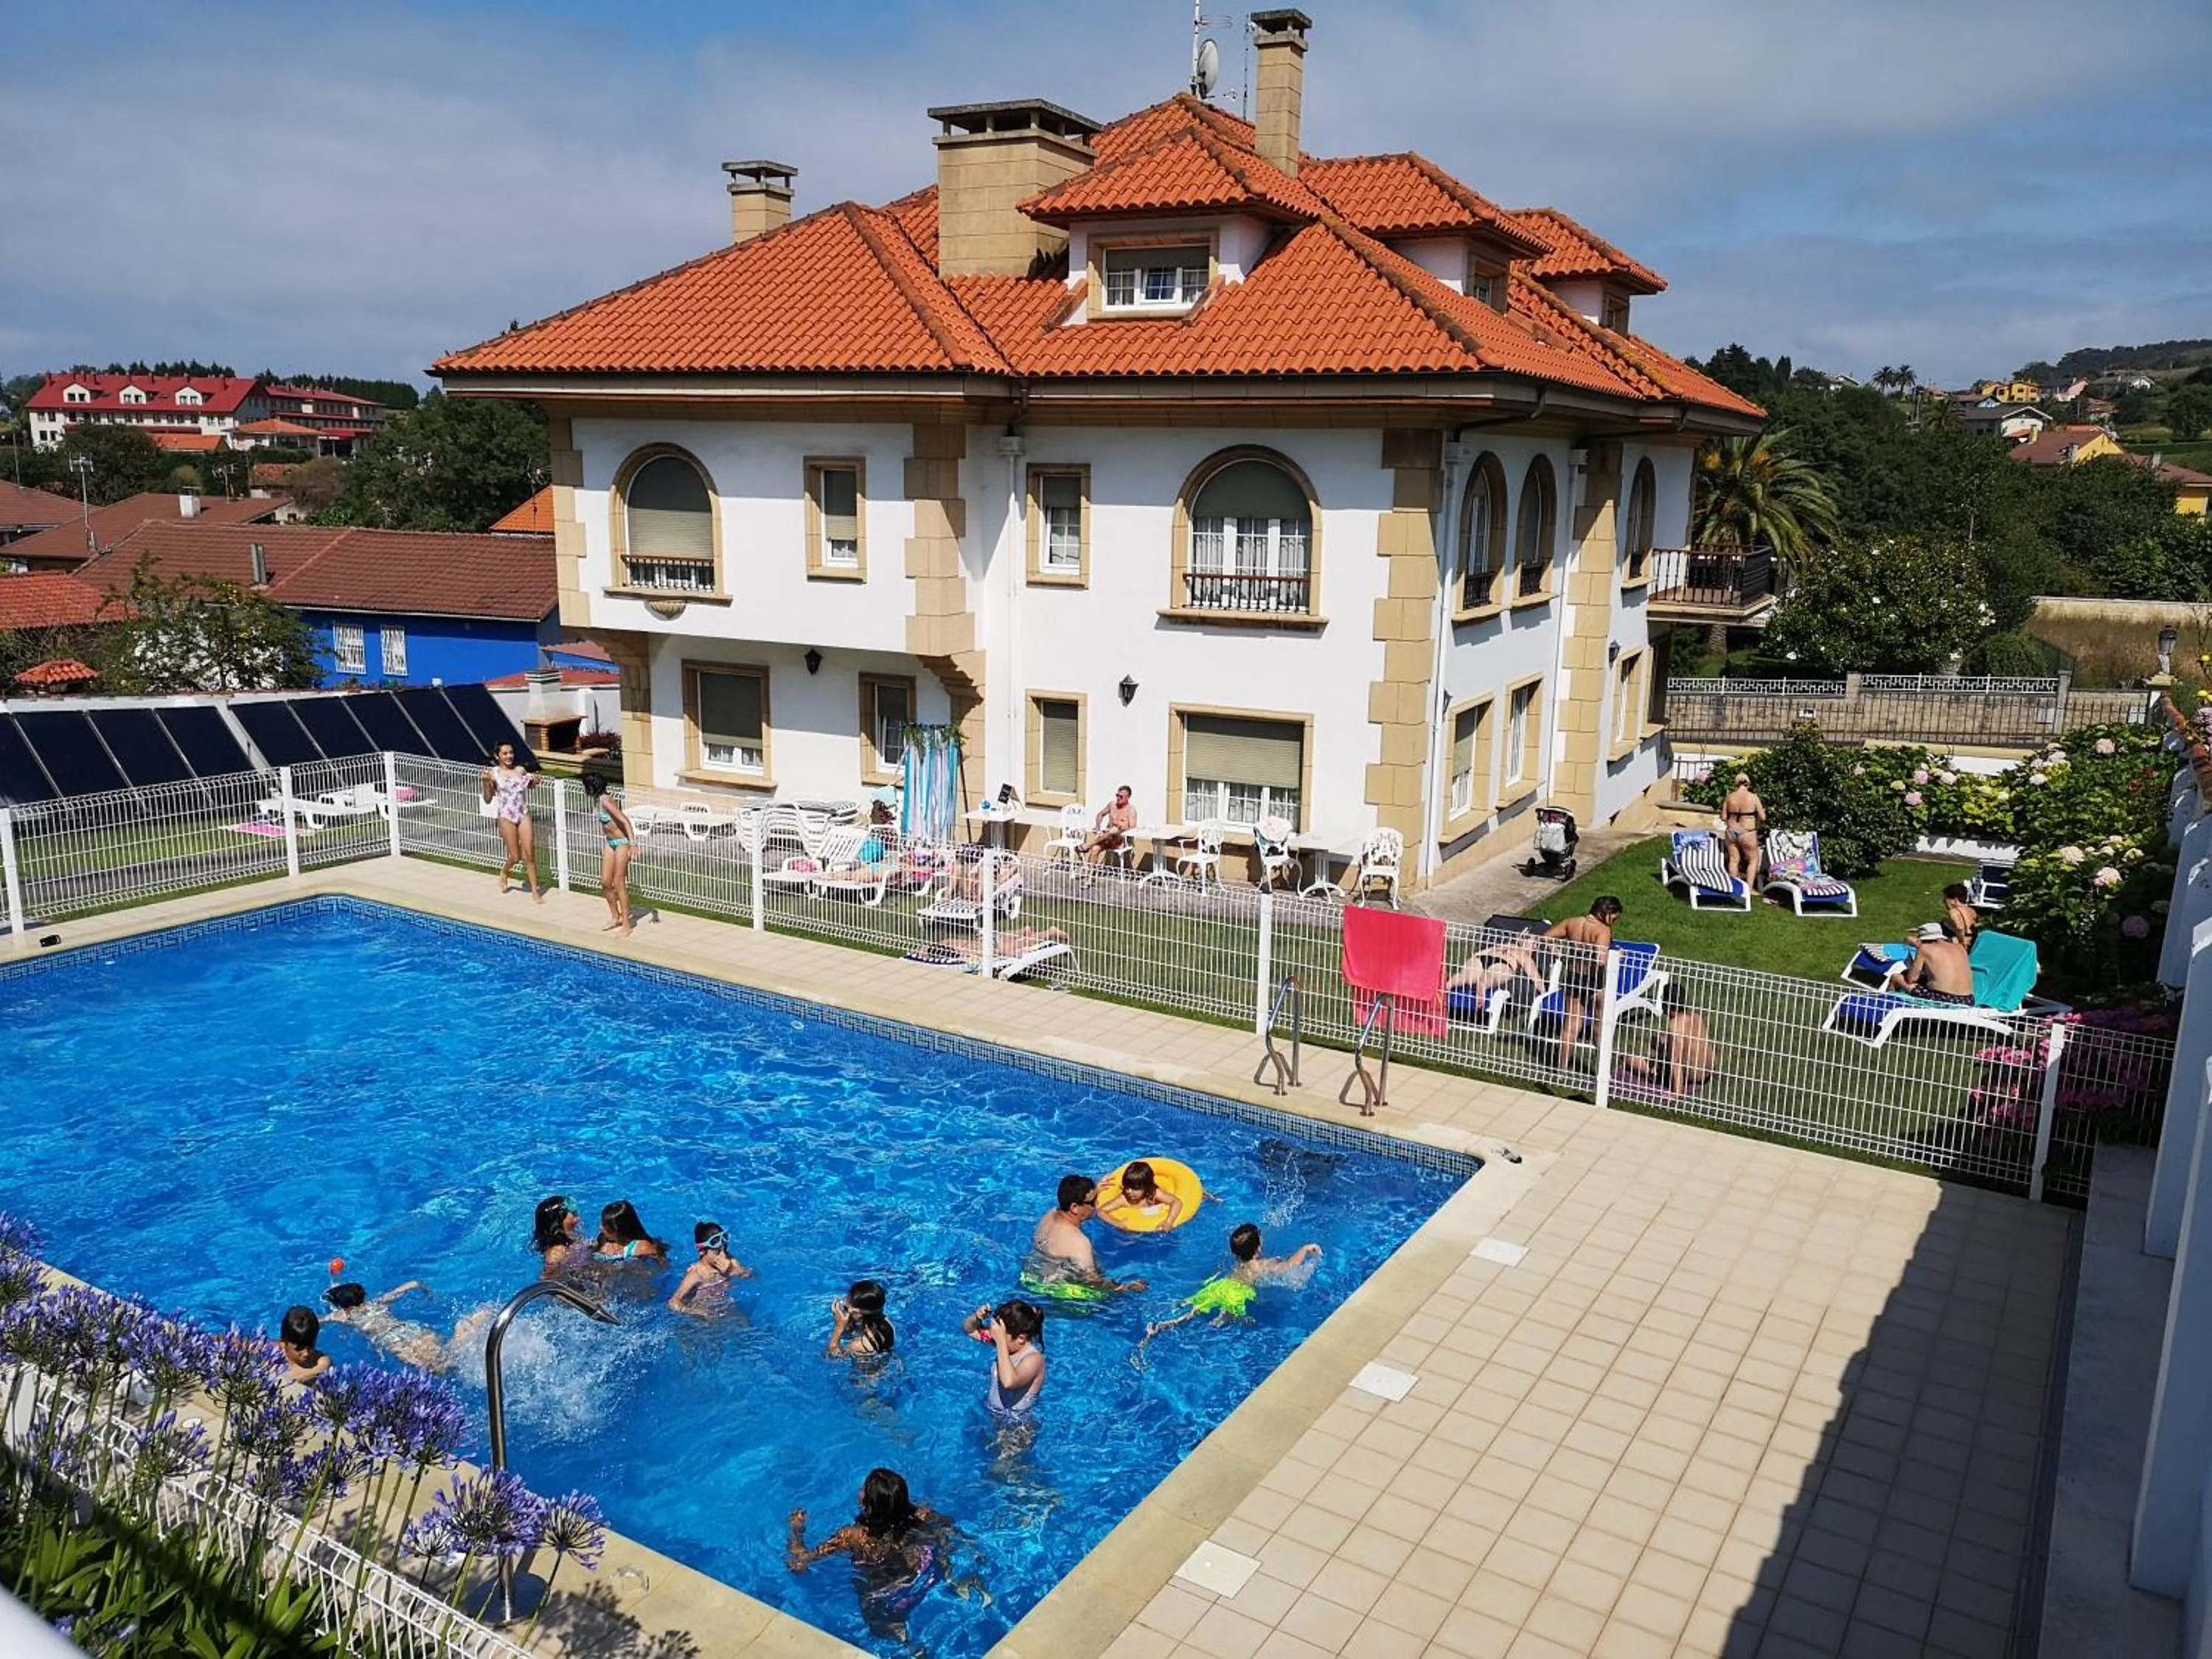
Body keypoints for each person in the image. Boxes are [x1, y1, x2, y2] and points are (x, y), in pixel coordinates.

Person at [787, 1469, 955, 1639]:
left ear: (868, 1504)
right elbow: (950, 1530)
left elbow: (800, 1563)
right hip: (928, 1581)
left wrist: (796, 1531)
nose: (860, 1490)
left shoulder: (853, 1537)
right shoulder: (923, 1515)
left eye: (863, 1489)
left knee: (889, 1631)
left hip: (882, 1599)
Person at [1144, 1224, 1321, 1340]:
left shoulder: (1238, 1263)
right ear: (1259, 1247)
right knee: (1221, 1322)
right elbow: (1290, 1265)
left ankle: (1162, 1326)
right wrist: (1305, 1249)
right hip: (1237, 1294)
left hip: (1220, 1285)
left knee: (1192, 1312)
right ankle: (1204, 1330)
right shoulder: (1262, 1265)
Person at [324, 1281, 490, 1374]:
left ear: (346, 1307)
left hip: (395, 1342)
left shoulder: (345, 1316)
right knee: (448, 1356)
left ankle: (464, 1332)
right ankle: (466, 1328)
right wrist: (427, 1292)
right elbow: (413, 1284)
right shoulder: (379, 1303)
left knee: (442, 1370)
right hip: (410, 1330)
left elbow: (319, 1320)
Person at [1025, 1175, 1147, 1298]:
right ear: (1074, 1207)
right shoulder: (1079, 1243)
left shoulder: (1050, 1215)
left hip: (1030, 1277)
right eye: (1093, 1202)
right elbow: (1093, 1282)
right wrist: (1125, 1287)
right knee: (1110, 1300)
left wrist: (1094, 1192)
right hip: (1055, 1291)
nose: (1098, 1204)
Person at [1540, 897, 1622, 1074]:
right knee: (1600, 1026)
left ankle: (1561, 1069)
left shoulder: (1572, 922)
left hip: (1574, 977)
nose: (1615, 922)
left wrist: (1562, 957)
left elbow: (1546, 938)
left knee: (1570, 1027)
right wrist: (1617, 957)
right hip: (1594, 981)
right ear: (1606, 914)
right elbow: (1601, 960)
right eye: (1614, 918)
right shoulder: (1602, 930)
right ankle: (1604, 1071)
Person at [1615, 983, 1714, 1097]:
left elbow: (1676, 1062)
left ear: (1668, 1003)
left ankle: (1654, 1071)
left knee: (1628, 1060)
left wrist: (1675, 1094)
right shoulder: (1697, 1017)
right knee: (1658, 1038)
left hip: (1692, 1075)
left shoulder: (1675, 1026)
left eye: (1663, 999)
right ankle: (1656, 1066)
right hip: (1706, 1072)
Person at [961, 1300, 1046, 1424]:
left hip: (1017, 1427)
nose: (994, 1336)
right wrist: (977, 1318)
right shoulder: (1006, 1344)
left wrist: (1000, 1341)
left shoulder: (1034, 1359)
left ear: (1021, 1338)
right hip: (993, 1417)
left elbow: (1009, 1382)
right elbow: (969, 1330)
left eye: (1000, 1334)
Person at [479, 742, 543, 903]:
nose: (509, 756)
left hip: (523, 814)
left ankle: (535, 890)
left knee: (529, 854)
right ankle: (505, 871)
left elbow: (532, 785)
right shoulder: (493, 774)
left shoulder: (520, 771)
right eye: (505, 753)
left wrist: (536, 781)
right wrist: (485, 783)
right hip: (506, 816)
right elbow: (488, 799)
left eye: (511, 753)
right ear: (497, 756)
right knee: (515, 857)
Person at [580, 773, 636, 936]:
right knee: (605, 882)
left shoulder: (606, 800)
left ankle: (626, 924)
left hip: (622, 843)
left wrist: (633, 844)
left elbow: (625, 821)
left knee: (619, 883)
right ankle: (615, 916)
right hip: (609, 842)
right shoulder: (598, 800)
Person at [668, 1222, 754, 1317]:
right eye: (717, 1251)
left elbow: (751, 1276)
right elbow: (673, 1302)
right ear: (701, 1251)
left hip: (725, 1306)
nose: (723, 1255)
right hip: (702, 1314)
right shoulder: (697, 1274)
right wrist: (695, 1312)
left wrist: (732, 1271)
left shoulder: (731, 1261)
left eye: (724, 1249)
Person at [905, 925, 1070, 968]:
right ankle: (1026, 931)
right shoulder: (948, 943)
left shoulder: (955, 950)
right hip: (990, 942)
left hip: (993, 947)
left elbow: (978, 954)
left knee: (1009, 949)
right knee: (1008, 944)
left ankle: (1049, 933)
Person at [1444, 936, 1545, 1001]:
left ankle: (1448, 985)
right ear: (1522, 942)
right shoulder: (1522, 954)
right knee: (1493, 976)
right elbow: (1533, 973)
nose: (1536, 948)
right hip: (1503, 963)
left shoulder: (1504, 946)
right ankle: (1483, 985)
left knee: (1466, 976)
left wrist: (1473, 960)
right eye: (1534, 944)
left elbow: (1480, 953)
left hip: (1480, 958)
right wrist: (1544, 992)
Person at [1900, 919, 1976, 1004]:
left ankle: (1886, 1008)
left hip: (1942, 999)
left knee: (1897, 978)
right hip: (1967, 1000)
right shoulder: (1961, 948)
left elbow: (1911, 979)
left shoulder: (1925, 949)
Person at [1096, 1160, 1186, 1231]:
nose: (1129, 1191)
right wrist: (1117, 1223)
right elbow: (1101, 1211)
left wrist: (1169, 1222)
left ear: (1146, 1187)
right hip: (1133, 1232)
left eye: (1134, 1189)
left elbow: (1176, 1202)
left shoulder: (1154, 1193)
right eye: (1127, 1187)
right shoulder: (1124, 1199)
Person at [826, 1279, 896, 1357]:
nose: (844, 1303)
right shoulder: (886, 1321)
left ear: (859, 1315)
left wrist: (839, 1327)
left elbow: (832, 1357)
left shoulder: (859, 1346)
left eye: (846, 1308)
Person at [1721, 773, 1766, 886]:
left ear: (1736, 783)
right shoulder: (1753, 797)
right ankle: (1749, 889)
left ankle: (1733, 887)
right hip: (1748, 832)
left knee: (1734, 860)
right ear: (1748, 783)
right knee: (1753, 860)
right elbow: (1763, 817)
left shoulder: (1730, 797)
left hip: (1731, 831)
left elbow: (1723, 817)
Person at [534, 1194, 592, 1277]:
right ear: (558, 1223)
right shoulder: (556, 1255)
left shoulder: (571, 1239)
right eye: (574, 1214)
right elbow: (545, 1279)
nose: (578, 1219)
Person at [1081, 785, 1138, 869]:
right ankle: (1089, 878)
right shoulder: (1112, 805)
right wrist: (1098, 828)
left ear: (1128, 797)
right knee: (1095, 849)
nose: (1118, 798)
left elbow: (1133, 828)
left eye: (1121, 796)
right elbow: (1100, 815)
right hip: (1107, 839)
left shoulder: (1131, 810)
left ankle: (1088, 845)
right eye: (1117, 795)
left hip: (1120, 841)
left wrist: (1122, 828)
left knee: (1114, 830)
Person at [593, 1199, 667, 1262]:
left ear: (620, 1231)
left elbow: (661, 1267)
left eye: (607, 1228)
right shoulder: (604, 1239)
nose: (600, 1228)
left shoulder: (642, 1248)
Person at [278, 1305, 330, 1382]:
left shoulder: (320, 1361)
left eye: (311, 1346)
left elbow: (321, 1369)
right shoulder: (272, 1350)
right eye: (299, 1348)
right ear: (284, 1342)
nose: (306, 1353)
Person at [1943, 882, 1980, 947]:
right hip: (1972, 942)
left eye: (1945, 899)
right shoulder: (1972, 911)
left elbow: (1960, 927)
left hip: (1958, 944)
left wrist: (1961, 942)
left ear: (1955, 900)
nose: (1943, 902)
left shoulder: (1954, 912)